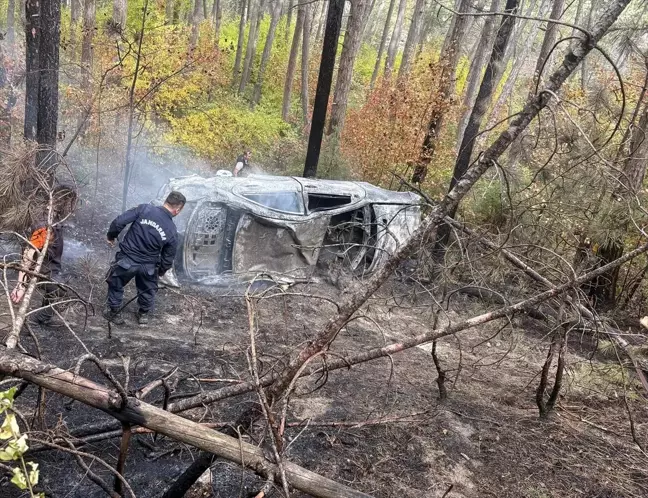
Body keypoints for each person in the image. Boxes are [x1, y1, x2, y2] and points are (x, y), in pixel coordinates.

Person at [104, 191, 186, 326]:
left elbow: (119, 222)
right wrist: (160, 271)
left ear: (166, 201)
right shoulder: (171, 229)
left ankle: (113, 311)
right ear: (178, 209)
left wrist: (111, 236)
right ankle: (143, 314)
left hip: (127, 260)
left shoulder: (144, 209)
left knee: (116, 282)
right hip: (148, 266)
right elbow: (168, 257)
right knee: (147, 289)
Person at [10, 185, 77, 327]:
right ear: (62, 202)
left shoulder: (55, 218)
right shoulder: (44, 225)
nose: (72, 208)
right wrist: (20, 285)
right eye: (70, 203)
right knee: (63, 291)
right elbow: (29, 253)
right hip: (43, 270)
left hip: (51, 267)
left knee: (59, 287)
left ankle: (43, 316)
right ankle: (34, 321)